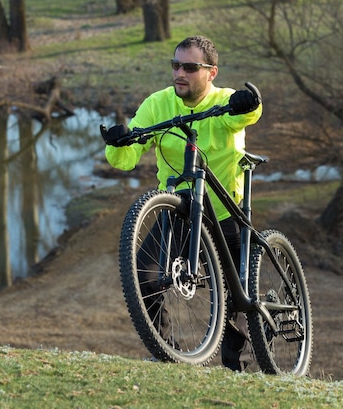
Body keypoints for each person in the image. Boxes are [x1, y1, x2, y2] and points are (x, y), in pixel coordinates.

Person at [100, 35, 262, 371]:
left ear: (211, 72)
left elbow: (246, 115)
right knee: (145, 274)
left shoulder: (225, 100)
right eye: (175, 65)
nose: (180, 73)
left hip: (223, 211)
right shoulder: (157, 105)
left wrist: (250, 103)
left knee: (237, 297)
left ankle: (237, 369)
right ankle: (166, 351)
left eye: (189, 67)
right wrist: (117, 142)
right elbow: (128, 156)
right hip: (180, 209)